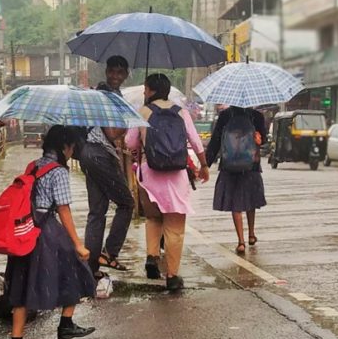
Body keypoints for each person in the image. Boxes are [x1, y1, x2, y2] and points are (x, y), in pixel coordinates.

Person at [5, 125, 96, 339]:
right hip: (45, 229)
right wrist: (77, 243)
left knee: (23, 284)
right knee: (76, 269)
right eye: (72, 145)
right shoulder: (58, 172)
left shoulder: (33, 165)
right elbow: (63, 209)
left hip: (24, 230)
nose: (73, 150)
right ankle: (66, 323)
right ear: (65, 146)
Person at [125, 74, 210, 291]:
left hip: (149, 173)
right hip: (176, 175)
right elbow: (195, 141)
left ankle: (152, 257)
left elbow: (130, 142)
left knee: (153, 218)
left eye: (146, 89)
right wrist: (204, 165)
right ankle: (172, 275)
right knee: (174, 227)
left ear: (151, 90)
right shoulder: (181, 111)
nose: (144, 92)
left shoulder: (143, 112)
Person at [80, 55, 134, 278]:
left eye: (120, 72)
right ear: (106, 71)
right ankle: (110, 252)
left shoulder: (103, 94)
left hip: (87, 153)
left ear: (126, 75)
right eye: (112, 71)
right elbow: (111, 133)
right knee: (126, 203)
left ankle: (91, 267)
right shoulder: (107, 96)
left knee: (97, 211)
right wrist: (129, 122)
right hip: (100, 155)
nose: (115, 76)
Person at [206, 106, 267, 254]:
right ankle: (251, 234)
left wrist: (205, 164)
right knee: (250, 199)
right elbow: (263, 139)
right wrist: (259, 139)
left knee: (235, 203)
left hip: (229, 165)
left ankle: (241, 242)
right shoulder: (256, 116)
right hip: (250, 165)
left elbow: (215, 141)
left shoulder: (225, 116)